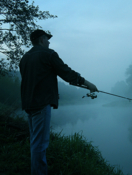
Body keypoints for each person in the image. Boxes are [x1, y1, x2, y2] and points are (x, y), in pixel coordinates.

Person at [19, 29, 98, 175]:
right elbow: (66, 73)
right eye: (47, 39)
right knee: (40, 145)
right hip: (41, 103)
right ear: (41, 39)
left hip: (28, 104)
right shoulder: (49, 54)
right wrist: (88, 84)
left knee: (35, 142)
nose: (49, 42)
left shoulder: (24, 58)